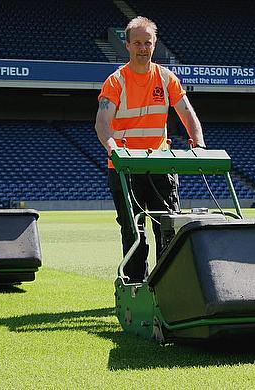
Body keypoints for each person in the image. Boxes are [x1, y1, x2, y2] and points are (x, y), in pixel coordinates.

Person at [94, 16, 206, 282]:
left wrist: (198, 143)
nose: (143, 48)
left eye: (148, 43)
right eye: (137, 43)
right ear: (128, 46)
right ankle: (136, 288)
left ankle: (168, 286)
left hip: (160, 165)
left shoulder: (167, 78)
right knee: (134, 232)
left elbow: (188, 114)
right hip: (125, 167)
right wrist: (111, 147)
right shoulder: (116, 81)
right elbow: (102, 122)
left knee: (168, 229)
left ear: (154, 44)